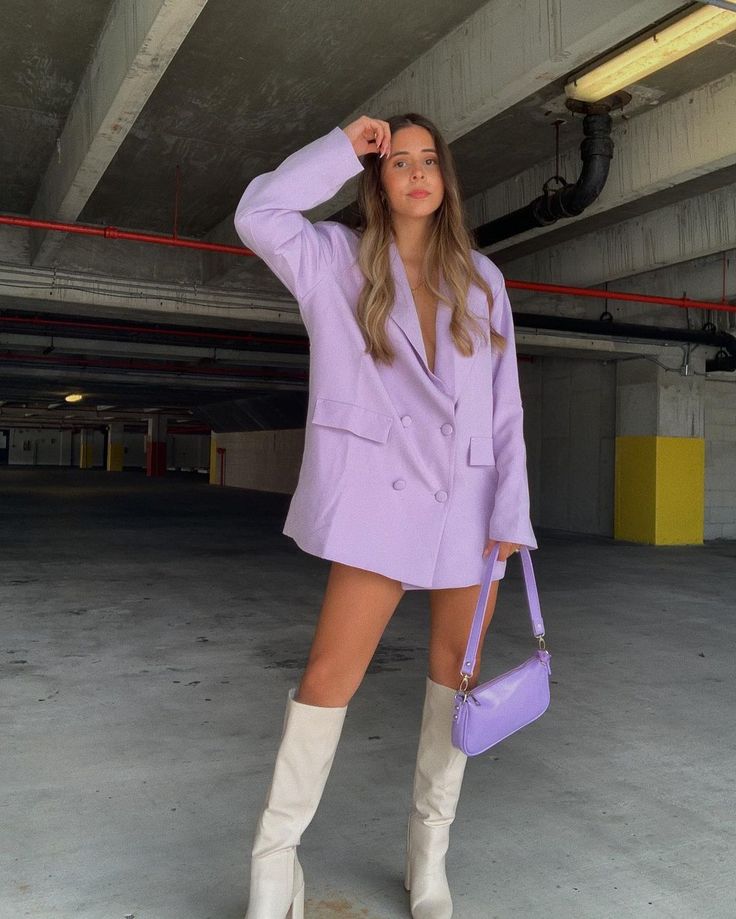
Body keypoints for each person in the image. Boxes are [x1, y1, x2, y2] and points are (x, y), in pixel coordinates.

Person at [234, 113, 537, 919]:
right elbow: (256, 214)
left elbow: (504, 408)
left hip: (470, 509)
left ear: (445, 178)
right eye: (398, 160)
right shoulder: (333, 262)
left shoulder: (484, 279)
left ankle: (428, 857)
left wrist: (512, 507)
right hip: (378, 497)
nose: (415, 173)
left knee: (454, 681)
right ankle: (273, 861)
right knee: (328, 677)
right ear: (378, 179)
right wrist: (341, 143)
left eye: (428, 159)